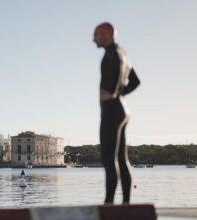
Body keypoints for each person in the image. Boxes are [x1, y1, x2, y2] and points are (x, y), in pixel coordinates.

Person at [93, 22, 140, 204]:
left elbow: (126, 78)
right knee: (121, 158)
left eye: (96, 35)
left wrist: (112, 92)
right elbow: (135, 81)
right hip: (122, 110)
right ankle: (126, 203)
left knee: (109, 158)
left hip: (112, 110)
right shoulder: (123, 55)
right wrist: (121, 93)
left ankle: (109, 204)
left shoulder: (112, 54)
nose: (93, 39)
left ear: (106, 34)